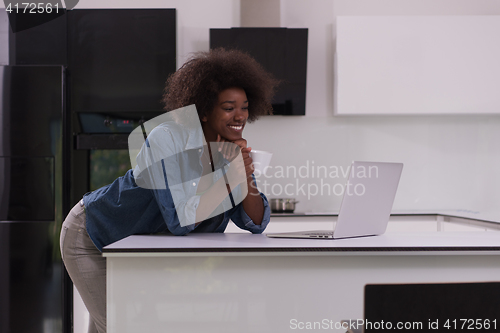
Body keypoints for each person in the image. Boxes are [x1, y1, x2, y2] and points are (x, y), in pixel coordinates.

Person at [59, 48, 279, 333]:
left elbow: (255, 222)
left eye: (245, 107)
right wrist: (229, 178)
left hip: (131, 249)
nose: (239, 116)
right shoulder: (166, 140)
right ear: (203, 111)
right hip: (92, 234)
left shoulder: (230, 151)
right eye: (228, 107)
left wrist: (244, 175)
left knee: (111, 326)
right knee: (117, 326)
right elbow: (179, 220)